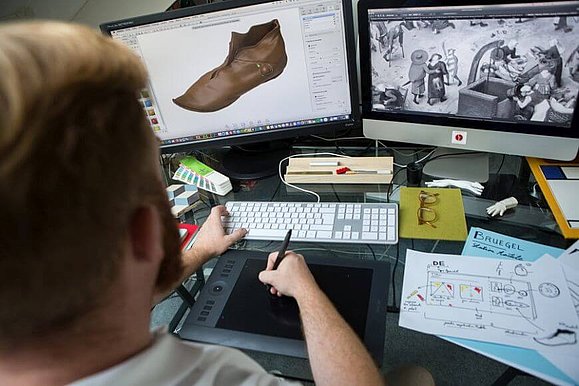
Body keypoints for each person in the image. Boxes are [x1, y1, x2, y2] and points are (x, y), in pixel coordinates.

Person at [0, 21, 389, 386]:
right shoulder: (220, 376)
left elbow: (107, 301)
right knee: (415, 373)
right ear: (148, 234)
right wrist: (307, 292)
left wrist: (201, 249)